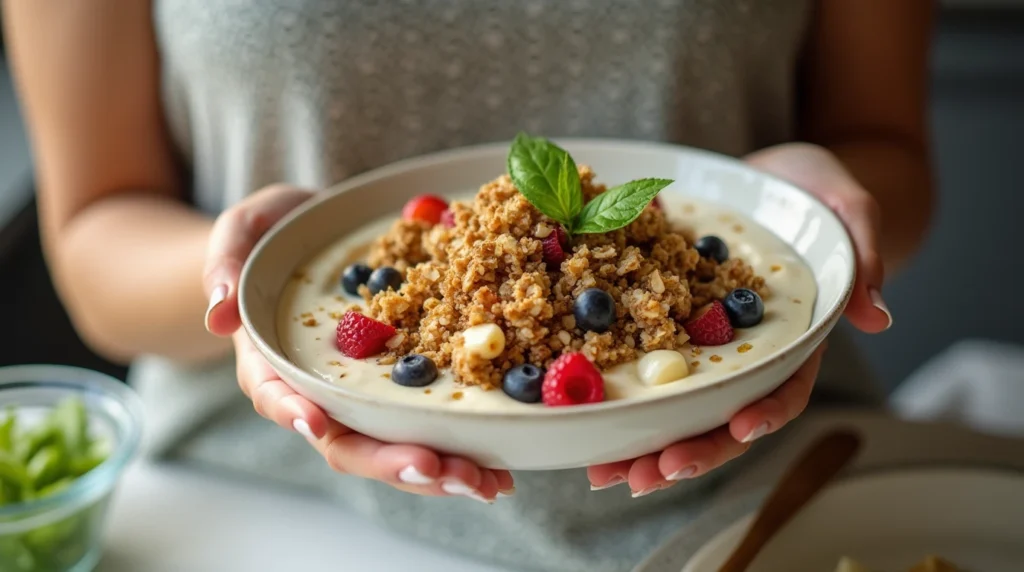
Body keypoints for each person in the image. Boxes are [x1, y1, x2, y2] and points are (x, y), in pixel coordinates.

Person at [4, 1, 933, 570]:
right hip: (257, 504)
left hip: (761, 484)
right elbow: (96, 232)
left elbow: (890, 153)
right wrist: (244, 263)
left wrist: (811, 208)